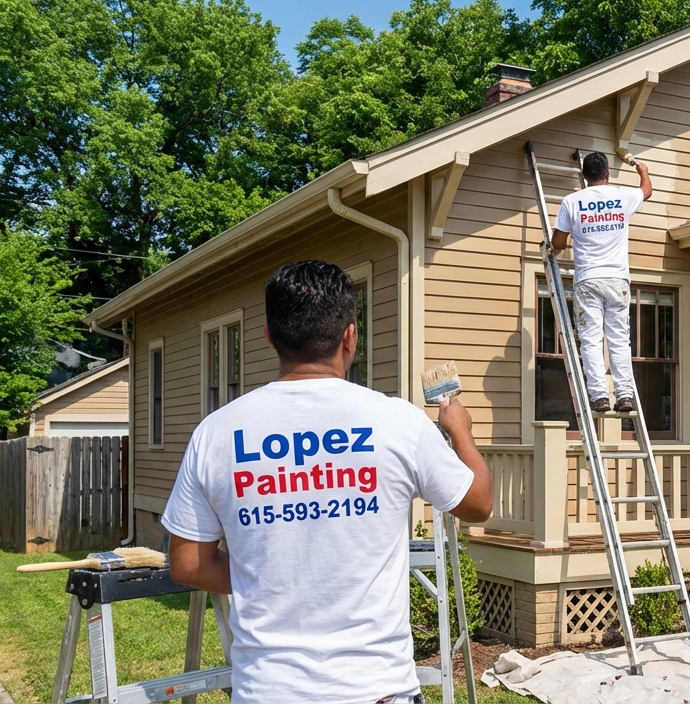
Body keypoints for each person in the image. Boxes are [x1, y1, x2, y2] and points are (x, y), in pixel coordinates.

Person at [163, 260, 493, 704]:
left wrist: (267, 577)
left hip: (268, 691)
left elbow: (187, 564)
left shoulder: (217, 432)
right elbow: (477, 504)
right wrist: (461, 430)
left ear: (268, 336)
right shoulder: (397, 422)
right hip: (377, 690)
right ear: (350, 337)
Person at [550, 151, 652, 413]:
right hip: (617, 280)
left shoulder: (571, 201)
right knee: (619, 340)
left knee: (591, 340)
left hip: (588, 281)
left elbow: (558, 242)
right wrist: (642, 170)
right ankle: (625, 395)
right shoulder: (623, 196)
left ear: (583, 175)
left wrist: (555, 248)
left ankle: (599, 396)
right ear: (607, 175)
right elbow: (646, 191)